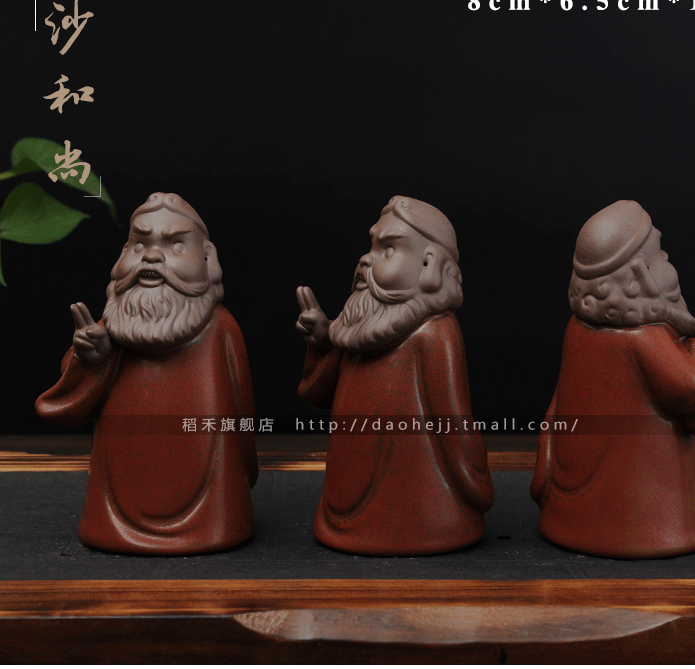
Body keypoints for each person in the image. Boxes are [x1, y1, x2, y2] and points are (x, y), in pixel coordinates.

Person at [37, 193, 258, 555]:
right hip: (119, 481)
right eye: (139, 245)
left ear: (208, 258)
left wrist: (242, 468)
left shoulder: (221, 328)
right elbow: (71, 403)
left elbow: (241, 404)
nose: (152, 256)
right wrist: (93, 360)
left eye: (175, 246)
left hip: (208, 485)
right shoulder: (112, 328)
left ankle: (219, 520)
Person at [530, 199, 695, 558]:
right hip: (645, 491)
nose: (668, 259)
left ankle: (572, 523)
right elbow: (688, 388)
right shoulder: (645, 337)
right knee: (638, 499)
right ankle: (650, 532)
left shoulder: (578, 328)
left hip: (584, 471)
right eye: (660, 254)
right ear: (639, 274)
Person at [296, 195, 494, 555]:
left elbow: (452, 419)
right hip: (347, 489)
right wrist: (324, 343)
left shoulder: (434, 333)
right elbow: (320, 395)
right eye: (371, 246)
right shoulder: (355, 328)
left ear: (428, 265)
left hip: (425, 502)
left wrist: (473, 481)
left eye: (388, 249)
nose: (365, 259)